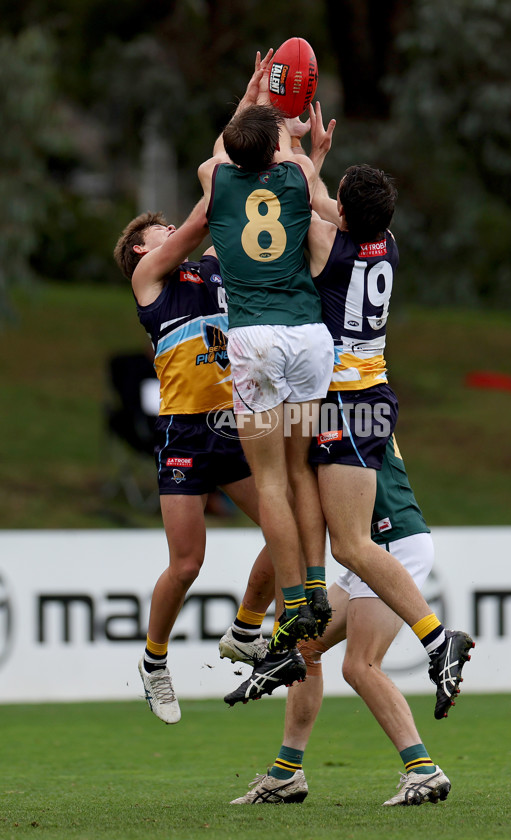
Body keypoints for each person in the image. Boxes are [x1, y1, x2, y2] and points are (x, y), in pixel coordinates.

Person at [221, 103, 474, 719]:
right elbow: (324, 203)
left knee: (353, 546)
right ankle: (282, 632)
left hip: (348, 402)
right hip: (366, 396)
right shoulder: (385, 241)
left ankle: (438, 641)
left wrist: (285, 137)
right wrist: (317, 163)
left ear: (339, 205)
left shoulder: (325, 244)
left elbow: (287, 201)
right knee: (301, 490)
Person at [110, 54, 308, 725]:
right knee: (188, 562)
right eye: (153, 231)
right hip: (184, 430)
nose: (168, 229)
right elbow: (209, 204)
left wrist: (252, 101)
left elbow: (228, 201)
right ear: (140, 250)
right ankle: (155, 659)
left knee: (290, 532)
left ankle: (249, 624)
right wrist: (248, 117)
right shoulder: (151, 281)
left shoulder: (213, 268)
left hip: (233, 422)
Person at [226, 435, 453, 806]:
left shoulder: (335, 411)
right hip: (372, 547)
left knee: (360, 665)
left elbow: (298, 499)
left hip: (387, 543)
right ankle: (286, 775)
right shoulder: (345, 404)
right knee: (305, 647)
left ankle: (424, 770)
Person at [197, 76, 335, 654]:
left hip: (255, 341)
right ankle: (319, 582)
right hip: (308, 337)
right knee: (303, 471)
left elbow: (221, 150)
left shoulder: (217, 179)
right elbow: (284, 157)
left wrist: (255, 94)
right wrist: (297, 130)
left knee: (271, 479)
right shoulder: (298, 175)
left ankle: (294, 598)